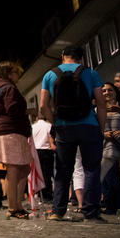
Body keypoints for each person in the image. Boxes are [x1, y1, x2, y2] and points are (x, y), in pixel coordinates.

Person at [40, 45, 106, 223]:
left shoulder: (50, 74)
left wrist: (54, 122)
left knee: (63, 170)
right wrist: (101, 127)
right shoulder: (91, 73)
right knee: (91, 169)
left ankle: (57, 211)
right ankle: (91, 213)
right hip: (89, 125)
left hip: (64, 128)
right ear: (81, 58)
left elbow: (43, 105)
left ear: (63, 56)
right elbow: (101, 103)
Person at [0, 63, 33, 218]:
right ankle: (14, 207)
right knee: (15, 169)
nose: (18, 76)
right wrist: (29, 111)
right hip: (11, 129)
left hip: (9, 130)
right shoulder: (8, 88)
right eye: (15, 72)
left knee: (23, 167)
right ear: (8, 73)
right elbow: (12, 109)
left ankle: (16, 204)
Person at [100, 82, 120, 211]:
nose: (107, 93)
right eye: (104, 91)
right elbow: (95, 129)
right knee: (98, 176)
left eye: (110, 90)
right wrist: (103, 133)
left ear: (115, 92)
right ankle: (91, 206)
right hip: (107, 149)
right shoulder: (98, 110)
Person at [30, 111, 54, 202]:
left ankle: (38, 192)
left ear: (37, 118)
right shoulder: (49, 126)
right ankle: (47, 193)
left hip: (36, 151)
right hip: (46, 150)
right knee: (47, 173)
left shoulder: (33, 126)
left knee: (37, 173)